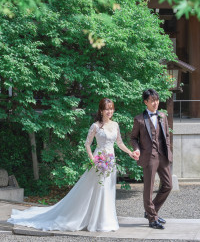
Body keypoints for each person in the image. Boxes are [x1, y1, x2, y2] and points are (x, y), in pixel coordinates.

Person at [8, 98, 136, 232]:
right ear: (101, 110)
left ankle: (105, 221)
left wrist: (130, 153)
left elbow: (120, 143)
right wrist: (93, 159)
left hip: (110, 161)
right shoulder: (96, 126)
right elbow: (87, 144)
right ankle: (91, 220)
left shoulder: (115, 125)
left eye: (111, 108)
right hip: (98, 160)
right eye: (107, 109)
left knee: (107, 190)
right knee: (95, 190)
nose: (110, 111)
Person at [130, 89, 173, 230]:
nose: (155, 103)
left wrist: (168, 150)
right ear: (146, 102)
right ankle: (152, 218)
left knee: (168, 185)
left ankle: (151, 211)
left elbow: (166, 135)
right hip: (149, 156)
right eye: (152, 101)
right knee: (149, 188)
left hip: (163, 155)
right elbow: (133, 138)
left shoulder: (163, 116)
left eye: (157, 100)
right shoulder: (139, 119)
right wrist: (137, 149)